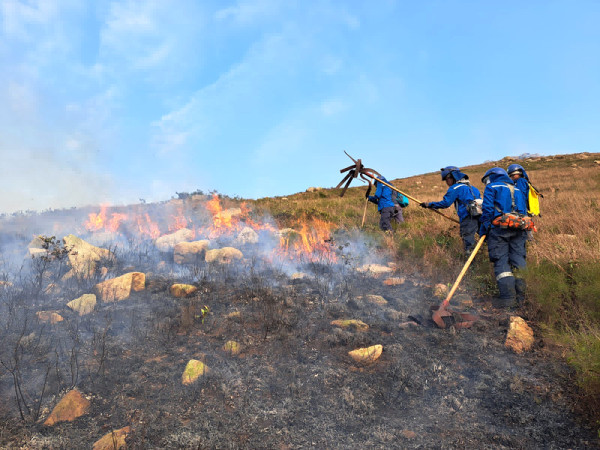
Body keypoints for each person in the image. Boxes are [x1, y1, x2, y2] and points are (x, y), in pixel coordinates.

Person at [479, 167, 528, 309]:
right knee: (519, 262)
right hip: (519, 229)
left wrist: (484, 228)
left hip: (499, 230)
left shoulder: (491, 187)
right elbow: (523, 211)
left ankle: (508, 300)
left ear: (492, 177)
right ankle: (521, 298)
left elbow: (487, 209)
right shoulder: (517, 189)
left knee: (501, 262)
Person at [419, 166, 481, 254]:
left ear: (452, 176)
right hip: (480, 217)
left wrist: (429, 205)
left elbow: (445, 203)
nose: (446, 182)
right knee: (484, 240)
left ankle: (471, 266)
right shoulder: (474, 188)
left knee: (469, 246)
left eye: (446, 179)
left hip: (468, 218)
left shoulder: (455, 188)